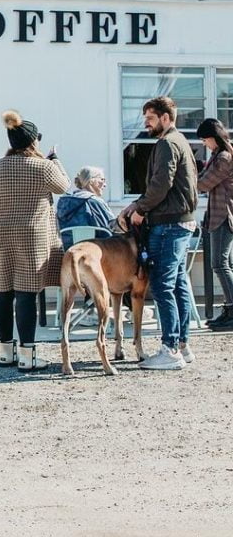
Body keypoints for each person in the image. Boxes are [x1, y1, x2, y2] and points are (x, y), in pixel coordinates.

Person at [0, 110, 69, 373]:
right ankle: (28, 356)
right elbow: (63, 186)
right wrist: (56, 160)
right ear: (33, 142)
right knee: (26, 294)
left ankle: (6, 352)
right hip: (32, 238)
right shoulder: (44, 167)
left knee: (3, 293)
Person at [120, 96, 198, 371]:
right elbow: (164, 183)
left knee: (164, 285)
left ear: (165, 118)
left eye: (150, 118)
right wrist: (136, 204)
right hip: (181, 221)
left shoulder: (167, 143)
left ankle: (170, 349)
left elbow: (161, 183)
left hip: (168, 223)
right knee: (178, 283)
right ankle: (182, 346)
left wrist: (140, 209)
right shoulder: (180, 142)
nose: (146, 123)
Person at [195, 118, 233, 330]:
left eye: (204, 139)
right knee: (223, 263)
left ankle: (232, 309)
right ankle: (229, 308)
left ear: (213, 137)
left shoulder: (224, 157)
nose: (203, 143)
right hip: (218, 215)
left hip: (223, 215)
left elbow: (203, 183)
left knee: (219, 264)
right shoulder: (218, 155)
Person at [56, 167, 115, 250]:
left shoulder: (63, 202)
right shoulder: (95, 202)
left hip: (67, 250)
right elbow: (112, 227)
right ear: (91, 181)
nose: (104, 184)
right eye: (102, 179)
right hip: (95, 250)